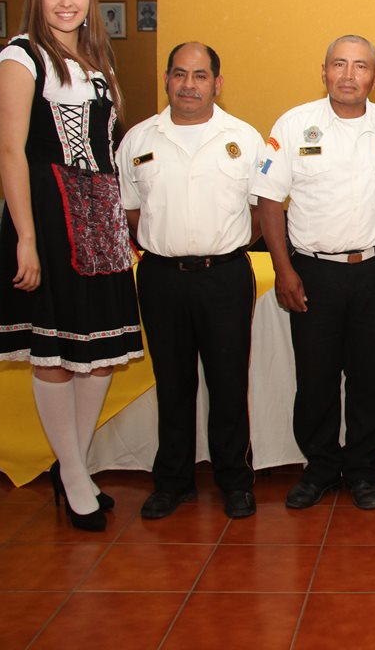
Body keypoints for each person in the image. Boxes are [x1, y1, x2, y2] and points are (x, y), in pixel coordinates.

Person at [0, 0, 142, 532]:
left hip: (98, 210)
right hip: (50, 212)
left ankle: (74, 465)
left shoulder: (95, 60)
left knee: (98, 354)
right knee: (55, 352)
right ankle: (73, 475)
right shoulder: (21, 56)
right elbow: (10, 151)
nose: (67, 1)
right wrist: (26, 237)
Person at [252, 36, 375, 511]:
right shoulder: (294, 124)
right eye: (338, 64)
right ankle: (319, 467)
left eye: (360, 66)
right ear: (323, 72)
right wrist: (283, 269)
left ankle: (362, 470)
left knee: (370, 379)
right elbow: (269, 201)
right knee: (316, 377)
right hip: (313, 272)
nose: (347, 74)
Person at [117, 42, 262, 520]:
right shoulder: (139, 140)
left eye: (200, 76)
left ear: (217, 83)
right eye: (180, 74)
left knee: (227, 384)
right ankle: (173, 482)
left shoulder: (245, 138)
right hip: (161, 277)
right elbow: (132, 211)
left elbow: (261, 213)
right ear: (166, 79)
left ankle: (234, 481)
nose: (189, 85)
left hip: (224, 276)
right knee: (172, 384)